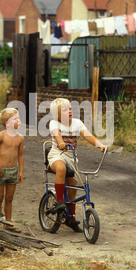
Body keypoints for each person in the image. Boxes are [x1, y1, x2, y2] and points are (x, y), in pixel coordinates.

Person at [47, 98, 106, 232]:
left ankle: (70, 218)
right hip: (57, 155)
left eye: (70, 108)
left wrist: (100, 145)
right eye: (64, 110)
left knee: (73, 187)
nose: (69, 111)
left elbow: (88, 136)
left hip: (71, 158)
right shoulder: (54, 123)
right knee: (61, 168)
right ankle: (60, 201)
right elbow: (56, 135)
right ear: (57, 115)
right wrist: (61, 142)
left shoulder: (77, 123)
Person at [0, 108, 24, 233]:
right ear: (6, 123)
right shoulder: (1, 135)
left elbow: (21, 155)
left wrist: (21, 171)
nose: (18, 121)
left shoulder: (20, 138)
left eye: (19, 118)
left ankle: (8, 222)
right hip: (1, 171)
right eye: (15, 119)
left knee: (9, 198)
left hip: (13, 171)